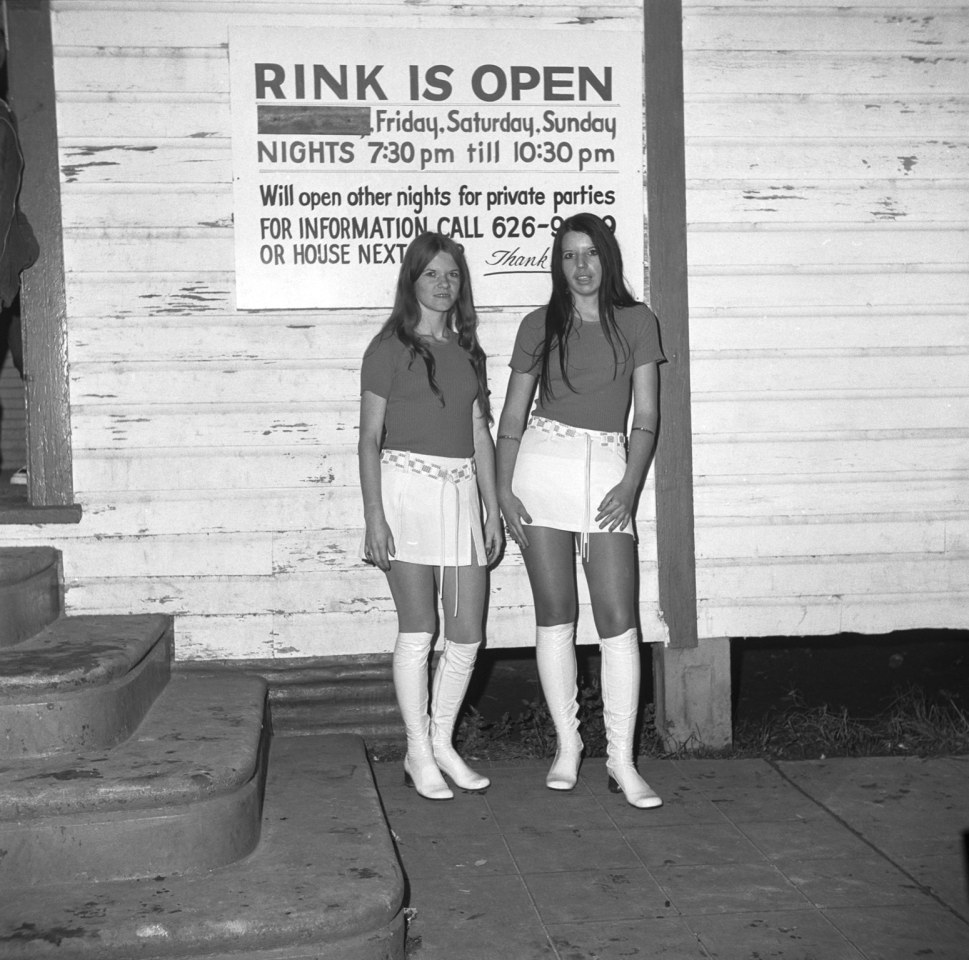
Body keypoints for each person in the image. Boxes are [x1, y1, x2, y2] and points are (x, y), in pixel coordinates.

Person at [496, 213, 665, 809]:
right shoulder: (538, 324)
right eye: (569, 256)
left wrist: (631, 485)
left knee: (619, 621)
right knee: (556, 615)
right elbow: (512, 418)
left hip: (607, 477)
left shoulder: (638, 322)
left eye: (590, 254)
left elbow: (645, 417)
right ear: (557, 264)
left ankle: (621, 759)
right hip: (541, 471)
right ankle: (568, 745)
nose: (582, 267)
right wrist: (501, 492)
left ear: (607, 259)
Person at [359, 232, 501, 801]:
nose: (444, 285)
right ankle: (417, 752)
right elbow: (369, 439)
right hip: (405, 493)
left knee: (467, 635)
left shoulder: (469, 351)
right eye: (432, 275)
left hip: (462, 494)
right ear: (411, 282)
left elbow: (478, 432)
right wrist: (374, 516)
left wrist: (491, 509)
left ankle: (443, 743)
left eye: (452, 275)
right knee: (419, 631)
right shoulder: (387, 349)